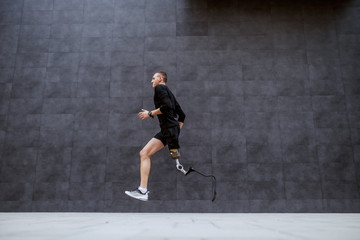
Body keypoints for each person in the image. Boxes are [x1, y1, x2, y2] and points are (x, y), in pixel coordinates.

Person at [125, 72, 186, 201]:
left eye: (153, 78)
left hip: (168, 130)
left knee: (144, 153)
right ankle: (143, 191)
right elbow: (182, 115)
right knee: (144, 153)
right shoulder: (169, 92)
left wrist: (150, 113)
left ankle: (142, 190)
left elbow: (167, 107)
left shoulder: (160, 88)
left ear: (160, 79)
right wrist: (176, 130)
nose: (151, 81)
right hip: (168, 130)